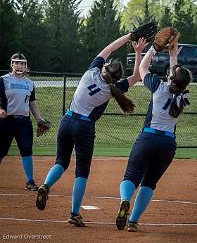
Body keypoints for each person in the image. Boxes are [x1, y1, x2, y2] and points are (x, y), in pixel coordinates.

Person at [36, 34, 147, 227]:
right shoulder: (112, 89)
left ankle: (45, 185)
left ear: (105, 67)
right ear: (116, 78)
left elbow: (109, 48)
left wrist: (129, 36)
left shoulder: (91, 72)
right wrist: (138, 53)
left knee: (61, 162)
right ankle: (74, 213)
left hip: (67, 120)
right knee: (82, 172)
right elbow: (137, 76)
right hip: (84, 127)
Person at [116, 35, 192, 232]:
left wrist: (153, 50)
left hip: (148, 138)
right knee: (149, 183)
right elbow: (176, 77)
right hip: (167, 145)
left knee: (131, 177)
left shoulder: (159, 87)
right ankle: (133, 221)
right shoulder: (183, 95)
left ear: (170, 78)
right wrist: (173, 56)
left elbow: (142, 69)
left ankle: (125, 200)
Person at [0, 52, 45, 191]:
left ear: (26, 66)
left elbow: (32, 103)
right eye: (16, 62)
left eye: (22, 63)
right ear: (11, 64)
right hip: (6, 121)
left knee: (26, 150)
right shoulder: (3, 79)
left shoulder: (29, 83)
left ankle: (30, 182)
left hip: (24, 122)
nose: (19, 65)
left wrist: (39, 119)